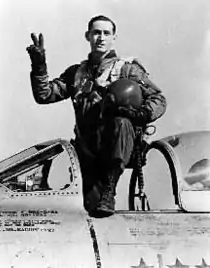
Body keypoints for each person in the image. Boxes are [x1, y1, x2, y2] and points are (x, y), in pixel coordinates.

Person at [27, 15, 167, 217]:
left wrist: (141, 114)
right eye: (96, 32)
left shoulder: (127, 70)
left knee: (122, 122)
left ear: (113, 38)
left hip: (117, 142)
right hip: (88, 149)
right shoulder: (76, 73)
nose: (101, 38)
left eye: (106, 33)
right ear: (88, 36)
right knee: (91, 212)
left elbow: (158, 99)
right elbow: (45, 95)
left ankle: (110, 189)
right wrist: (39, 66)